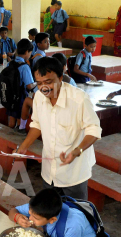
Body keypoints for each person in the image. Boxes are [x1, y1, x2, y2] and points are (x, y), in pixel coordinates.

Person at [15, 57, 101, 200]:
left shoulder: (79, 99)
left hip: (74, 171)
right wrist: (24, 147)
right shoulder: (39, 97)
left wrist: (76, 152)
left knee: (76, 212)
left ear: (61, 77)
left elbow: (94, 129)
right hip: (49, 170)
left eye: (48, 82)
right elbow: (37, 124)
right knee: (50, 210)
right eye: (39, 83)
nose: (44, 87)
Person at [8, 188, 97, 237]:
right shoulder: (38, 207)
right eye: (29, 213)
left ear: (52, 219)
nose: (30, 218)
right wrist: (18, 217)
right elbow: (13, 211)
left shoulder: (73, 226)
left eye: (35, 218)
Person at [7, 39, 36, 132]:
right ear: (27, 52)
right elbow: (29, 86)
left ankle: (9, 133)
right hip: (20, 96)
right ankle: (19, 133)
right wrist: (37, 83)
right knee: (20, 119)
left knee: (11, 120)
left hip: (10, 95)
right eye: (30, 52)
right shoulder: (24, 66)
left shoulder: (10, 63)